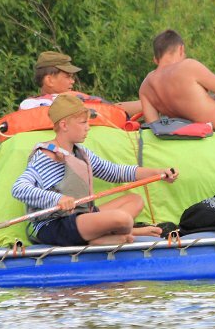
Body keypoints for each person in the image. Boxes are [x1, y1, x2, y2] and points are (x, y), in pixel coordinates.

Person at [11, 94, 177, 246]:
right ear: (64, 125)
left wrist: (157, 172)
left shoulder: (81, 153)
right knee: (123, 219)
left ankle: (103, 237)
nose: (88, 127)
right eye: (83, 123)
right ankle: (123, 233)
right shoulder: (46, 156)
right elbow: (19, 188)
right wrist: (57, 199)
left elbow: (115, 172)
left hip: (82, 217)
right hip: (55, 225)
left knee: (135, 200)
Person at [19, 50, 143, 117]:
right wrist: (149, 104)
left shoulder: (27, 105)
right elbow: (113, 110)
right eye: (68, 76)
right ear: (49, 80)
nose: (72, 81)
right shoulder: (33, 105)